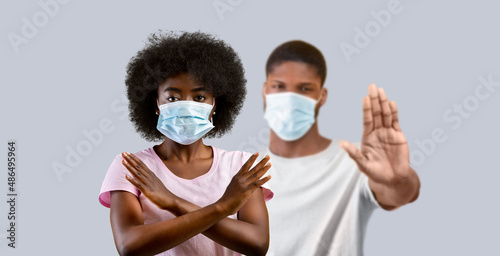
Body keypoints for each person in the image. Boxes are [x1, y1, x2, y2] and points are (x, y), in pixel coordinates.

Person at [98, 31, 273, 256]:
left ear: (215, 104)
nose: (186, 105)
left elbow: (257, 244)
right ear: (156, 104)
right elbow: (130, 246)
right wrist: (222, 208)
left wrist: (174, 202)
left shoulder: (240, 165)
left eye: (199, 97)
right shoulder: (132, 167)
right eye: (173, 98)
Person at [261, 40, 421, 255]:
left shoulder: (358, 160)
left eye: (305, 89)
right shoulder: (242, 169)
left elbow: (398, 195)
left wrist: (398, 180)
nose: (290, 98)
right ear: (265, 90)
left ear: (322, 96)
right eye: (279, 86)